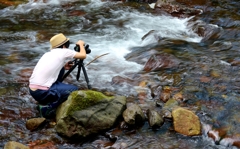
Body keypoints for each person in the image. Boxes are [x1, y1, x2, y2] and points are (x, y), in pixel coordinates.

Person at [29, 33, 87, 118]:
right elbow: (83, 55)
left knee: (62, 68)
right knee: (74, 90)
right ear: (64, 45)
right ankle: (47, 108)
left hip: (33, 91)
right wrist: (81, 44)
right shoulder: (64, 51)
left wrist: (63, 66)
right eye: (68, 44)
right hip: (43, 92)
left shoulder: (47, 54)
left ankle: (52, 95)